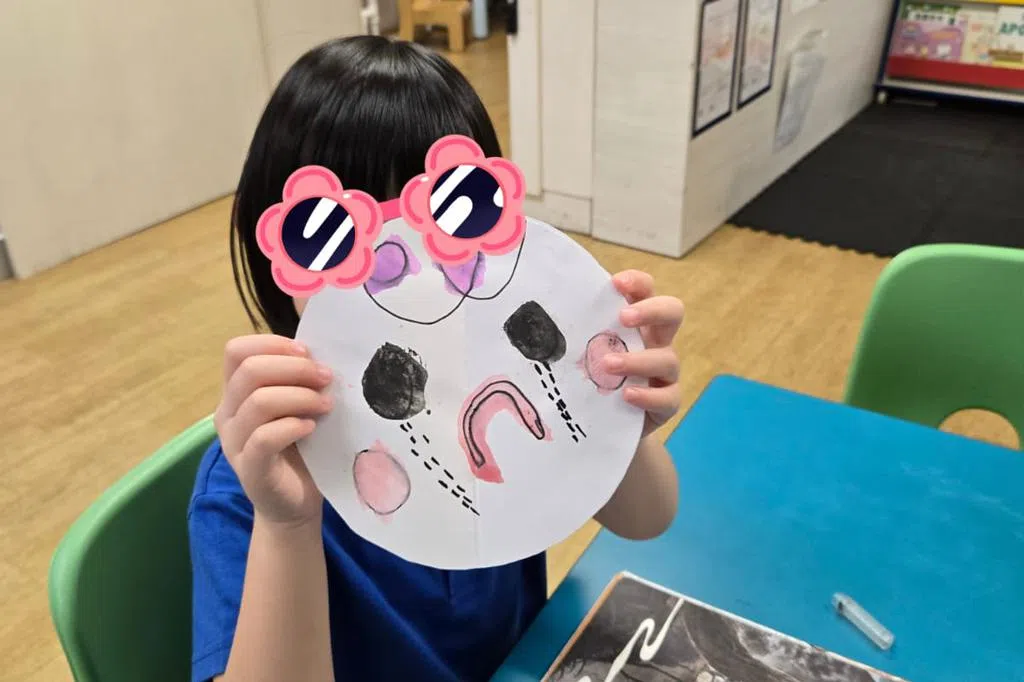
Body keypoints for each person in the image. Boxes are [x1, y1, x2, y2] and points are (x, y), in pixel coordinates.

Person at [189, 35, 684, 682]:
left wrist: (615, 418)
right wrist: (287, 527)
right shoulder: (248, 489)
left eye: (457, 212)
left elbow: (648, 518)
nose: (406, 269)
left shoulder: (499, 384)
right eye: (331, 238)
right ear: (275, 254)